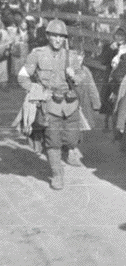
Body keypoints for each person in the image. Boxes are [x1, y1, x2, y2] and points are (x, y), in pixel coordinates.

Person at [17, 19, 90, 190]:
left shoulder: (71, 56)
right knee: (53, 142)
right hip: (50, 106)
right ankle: (57, 175)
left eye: (61, 36)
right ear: (48, 36)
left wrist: (74, 76)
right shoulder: (37, 54)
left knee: (72, 140)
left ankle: (66, 151)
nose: (58, 39)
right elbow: (22, 77)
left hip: (70, 105)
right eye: (54, 35)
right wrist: (36, 90)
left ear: (65, 38)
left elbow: (82, 77)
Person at [99, 26, 126, 131]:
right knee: (107, 98)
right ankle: (106, 122)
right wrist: (111, 49)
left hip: (121, 76)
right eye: (117, 35)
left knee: (120, 98)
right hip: (110, 76)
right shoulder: (109, 46)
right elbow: (103, 61)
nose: (119, 37)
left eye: (122, 35)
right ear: (114, 36)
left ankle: (118, 125)